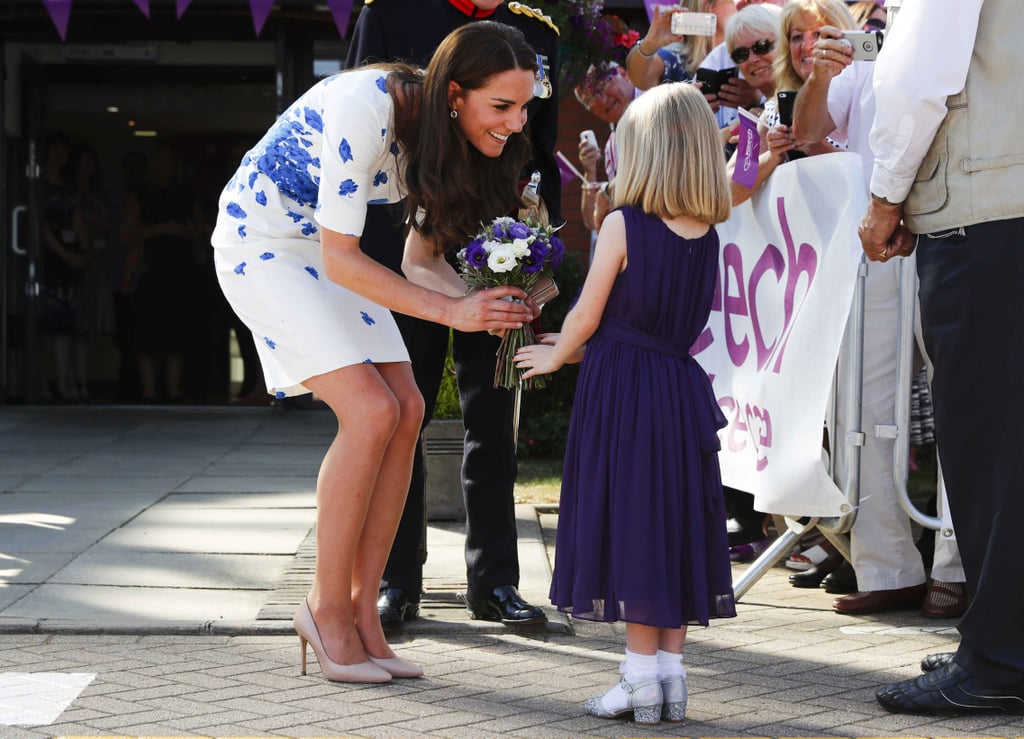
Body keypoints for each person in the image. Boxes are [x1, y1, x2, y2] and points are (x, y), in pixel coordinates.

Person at [211, 22, 537, 684]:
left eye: (525, 105)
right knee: (367, 410)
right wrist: (455, 311)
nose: (517, 122)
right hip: (261, 243)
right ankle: (324, 608)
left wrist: (492, 306)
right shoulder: (368, 106)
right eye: (502, 106)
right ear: (454, 93)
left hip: (328, 258)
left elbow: (421, 264)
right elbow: (342, 257)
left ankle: (365, 618)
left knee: (407, 406)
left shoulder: (444, 138)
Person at [515, 82, 736, 724]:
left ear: (643, 151)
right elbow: (656, 321)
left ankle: (639, 679)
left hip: (626, 394)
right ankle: (669, 677)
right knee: (672, 524)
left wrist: (559, 354)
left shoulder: (623, 224)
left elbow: (587, 310)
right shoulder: (708, 234)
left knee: (635, 522)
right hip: (673, 387)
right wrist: (585, 345)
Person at [344, 0, 560, 630]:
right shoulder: (388, 12)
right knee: (400, 416)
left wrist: (530, 277)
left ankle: (494, 583)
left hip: (500, 241)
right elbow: (366, 122)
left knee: (493, 422)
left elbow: (536, 149)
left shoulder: (536, 31)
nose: (515, 117)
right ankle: (395, 581)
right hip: (402, 249)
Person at [854, 0, 1024, 715]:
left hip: (986, 207)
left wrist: (887, 197)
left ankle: (998, 658)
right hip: (1001, 204)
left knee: (990, 449)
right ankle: (994, 639)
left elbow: (916, 73)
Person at [791, 10, 968, 617]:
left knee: (964, 401)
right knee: (865, 407)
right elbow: (808, 133)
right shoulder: (871, 35)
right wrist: (819, 76)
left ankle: (960, 566)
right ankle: (889, 566)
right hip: (880, 240)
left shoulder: (962, 24)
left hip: (960, 225)